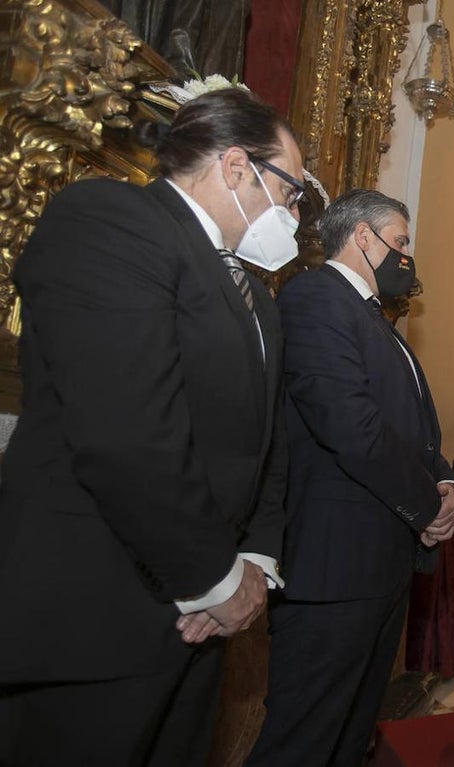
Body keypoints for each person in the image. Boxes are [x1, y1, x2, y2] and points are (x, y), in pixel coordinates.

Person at [0, 88, 301, 766]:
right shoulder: (112, 220)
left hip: (200, 623)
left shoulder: (256, 296)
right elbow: (129, 437)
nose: (292, 214)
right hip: (95, 616)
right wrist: (216, 579)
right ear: (234, 166)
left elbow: (265, 443)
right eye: (290, 190)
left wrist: (254, 558)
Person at [246, 190, 454, 767]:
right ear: (362, 237)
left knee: (350, 736)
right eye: (400, 241)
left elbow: (410, 429)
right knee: (304, 739)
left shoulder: (378, 321)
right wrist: (428, 506)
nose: (406, 256)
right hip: (334, 567)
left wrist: (449, 485)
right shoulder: (316, 297)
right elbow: (351, 426)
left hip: (378, 564)